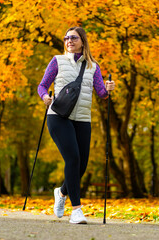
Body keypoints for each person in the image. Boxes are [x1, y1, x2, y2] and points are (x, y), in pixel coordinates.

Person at [37, 26, 115, 224]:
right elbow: (42, 85)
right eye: (66, 38)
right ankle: (77, 210)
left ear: (82, 41)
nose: (69, 40)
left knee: (81, 165)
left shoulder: (93, 66)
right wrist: (45, 97)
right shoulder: (57, 61)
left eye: (73, 37)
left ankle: (61, 193)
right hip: (58, 116)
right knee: (72, 158)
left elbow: (101, 94)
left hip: (82, 119)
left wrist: (108, 89)